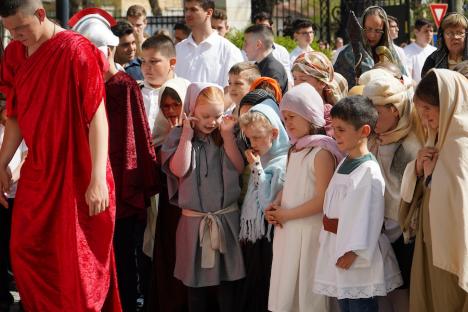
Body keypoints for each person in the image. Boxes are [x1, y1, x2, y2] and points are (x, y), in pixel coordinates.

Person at [0, 0, 121, 311]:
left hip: (78, 172)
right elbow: (13, 116)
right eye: (10, 30)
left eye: (21, 28)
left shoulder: (76, 50)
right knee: (25, 251)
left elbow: (97, 116)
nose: (15, 36)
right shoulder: (14, 53)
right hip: (38, 169)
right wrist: (1, 163)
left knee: (76, 267)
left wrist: (97, 179)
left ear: (41, 14)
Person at [70, 9, 159, 311]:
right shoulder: (84, 87)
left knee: (123, 258)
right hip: (92, 187)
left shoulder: (124, 86)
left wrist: (126, 191)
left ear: (107, 51)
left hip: (120, 190)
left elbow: (134, 146)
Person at [313, 95, 403, 312]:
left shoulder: (368, 171)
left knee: (360, 306)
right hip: (338, 246)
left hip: (355, 254)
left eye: (342, 129)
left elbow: (370, 216)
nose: (335, 135)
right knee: (346, 304)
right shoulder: (346, 161)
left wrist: (354, 252)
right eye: (334, 128)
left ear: (364, 131)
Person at [161, 83, 245, 312]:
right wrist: (186, 135)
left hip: (226, 221)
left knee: (227, 286)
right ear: (191, 111)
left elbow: (238, 167)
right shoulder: (178, 137)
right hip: (193, 223)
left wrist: (227, 136)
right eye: (205, 115)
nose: (211, 122)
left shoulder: (227, 134)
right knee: (195, 287)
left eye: (217, 115)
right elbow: (180, 169)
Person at [266, 83, 344, 312]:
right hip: (289, 230)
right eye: (284, 117)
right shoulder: (295, 149)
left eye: (292, 117)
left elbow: (322, 200)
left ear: (309, 115)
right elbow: (290, 185)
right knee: (288, 290)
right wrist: (276, 204)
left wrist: (287, 214)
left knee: (308, 294)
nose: (287, 123)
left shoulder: (321, 152)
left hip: (309, 234)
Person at [399, 69, 468, 312]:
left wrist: (431, 176)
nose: (424, 118)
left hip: (454, 246)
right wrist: (419, 168)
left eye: (429, 110)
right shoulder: (437, 138)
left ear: (448, 103)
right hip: (431, 242)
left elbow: (460, 200)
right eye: (421, 110)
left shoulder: (461, 143)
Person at [363, 77, 424, 312]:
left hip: (405, 232)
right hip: (375, 232)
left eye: (377, 112)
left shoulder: (412, 145)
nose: (371, 119)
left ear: (395, 110)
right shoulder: (371, 140)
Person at [238, 102, 289, 312]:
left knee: (265, 291)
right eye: (249, 138)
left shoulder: (282, 162)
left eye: (258, 137)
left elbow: (268, 203)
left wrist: (257, 168)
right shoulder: (262, 158)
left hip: (270, 238)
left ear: (274, 133)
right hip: (255, 239)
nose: (253, 143)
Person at [147, 77, 190, 312]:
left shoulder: (197, 136)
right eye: (166, 106)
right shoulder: (156, 138)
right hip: (166, 214)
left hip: (189, 214)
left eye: (176, 104)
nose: (171, 111)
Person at [334, 6, 407, 88]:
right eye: (368, 29)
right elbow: (336, 87)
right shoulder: (347, 55)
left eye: (378, 30)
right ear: (362, 27)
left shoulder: (391, 53)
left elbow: (404, 81)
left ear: (384, 31)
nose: (372, 35)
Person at [175, 0, 243, 87]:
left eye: (193, 9)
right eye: (186, 9)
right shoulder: (178, 49)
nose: (188, 14)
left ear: (209, 12)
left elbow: (232, 91)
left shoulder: (229, 50)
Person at [0, 100, 27, 312]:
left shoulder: (24, 126)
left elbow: (26, 156)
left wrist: (13, 179)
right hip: (2, 195)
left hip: (19, 195)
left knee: (18, 244)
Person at [291, 51, 346, 136]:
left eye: (303, 79)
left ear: (322, 83)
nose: (297, 84)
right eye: (295, 78)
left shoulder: (329, 115)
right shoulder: (294, 108)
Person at [140, 35, 176, 136]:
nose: (146, 67)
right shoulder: (135, 91)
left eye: (153, 61)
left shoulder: (185, 91)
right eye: (143, 61)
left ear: (172, 62)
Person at [243, 24, 288, 94]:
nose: (244, 48)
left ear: (258, 44)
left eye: (246, 43)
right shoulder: (260, 66)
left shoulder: (272, 70)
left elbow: (266, 103)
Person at [253, 11, 293, 87]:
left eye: (264, 26)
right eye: (258, 26)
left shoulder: (282, 51)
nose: (261, 29)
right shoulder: (248, 51)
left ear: (271, 27)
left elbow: (288, 78)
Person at [403, 19, 436, 83]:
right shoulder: (406, 52)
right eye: (425, 31)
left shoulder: (435, 51)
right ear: (416, 32)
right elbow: (407, 77)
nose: (429, 34)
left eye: (431, 31)